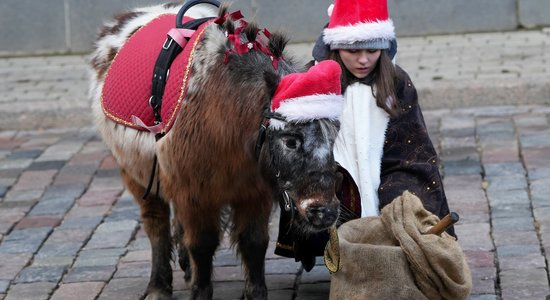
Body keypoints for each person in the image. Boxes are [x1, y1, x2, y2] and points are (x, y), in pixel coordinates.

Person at [275, 0, 455, 271]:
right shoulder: (313, 79)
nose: (363, 60)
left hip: (391, 170)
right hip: (331, 174)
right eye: (352, 50)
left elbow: (413, 147)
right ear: (335, 46)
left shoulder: (396, 82)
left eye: (372, 50)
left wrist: (394, 193)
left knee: (405, 207)